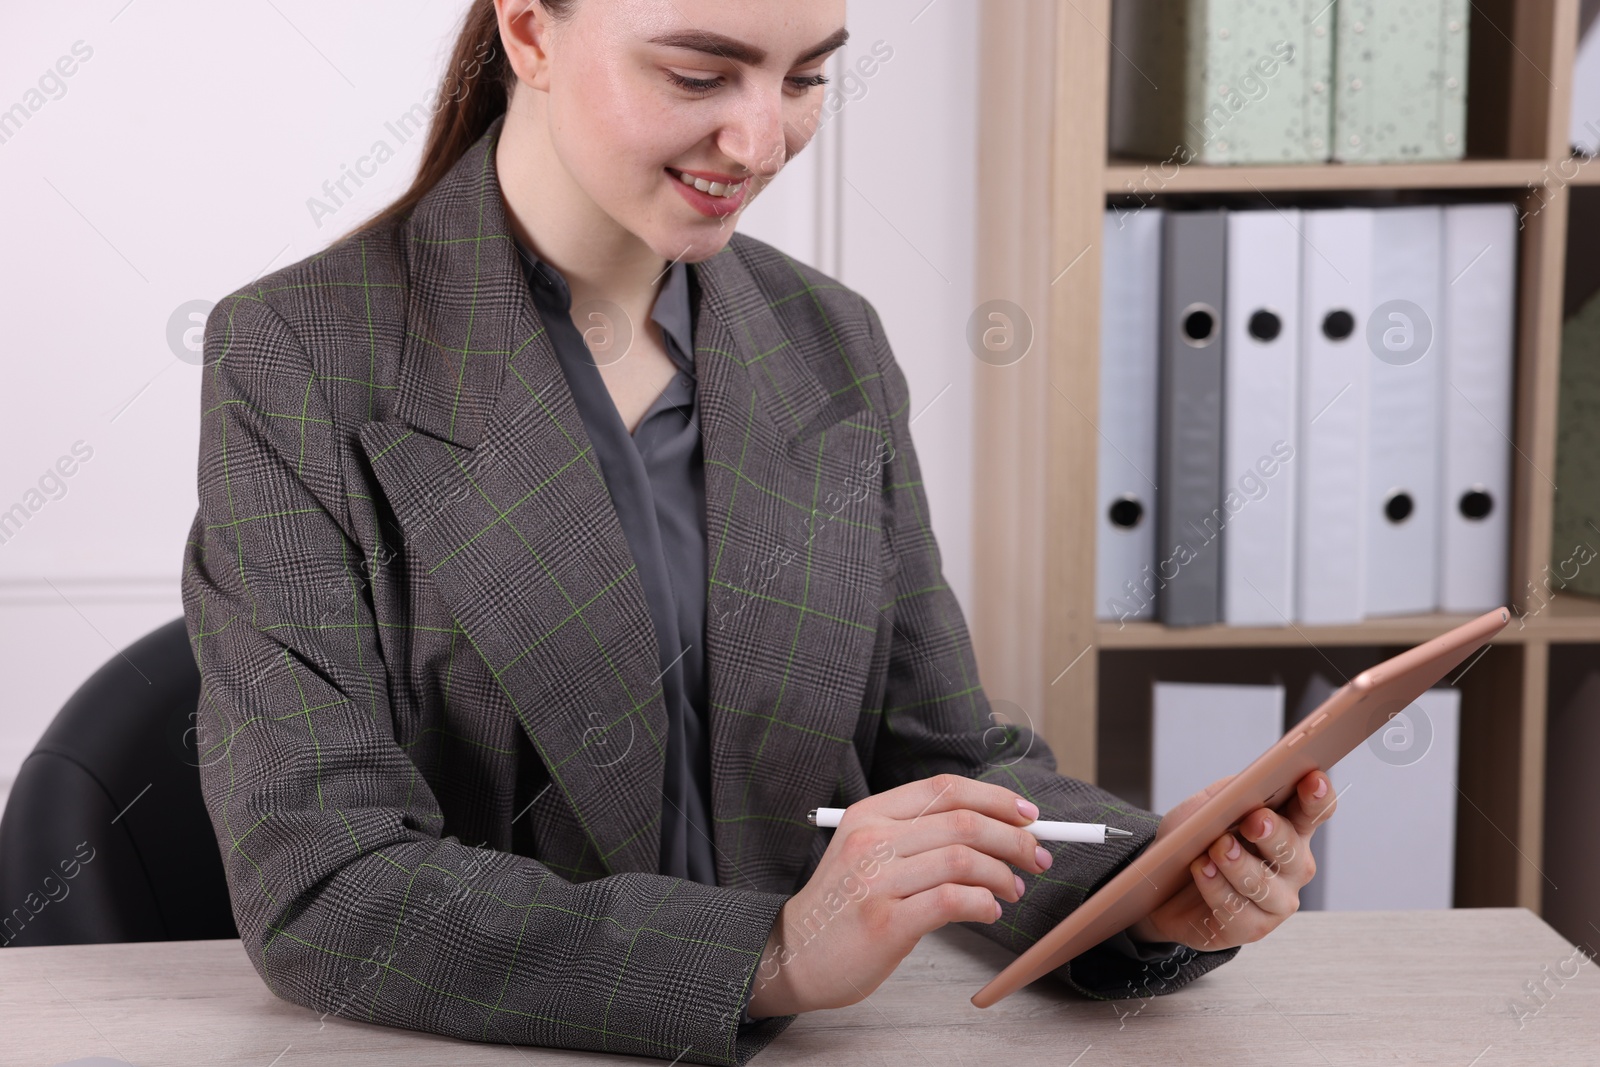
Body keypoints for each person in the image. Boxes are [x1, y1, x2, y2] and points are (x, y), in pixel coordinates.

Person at [180, 1, 1338, 1064]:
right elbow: (321, 887)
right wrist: (770, 953)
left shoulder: (829, 342)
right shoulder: (298, 355)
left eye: (806, 79)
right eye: (699, 75)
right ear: (529, 31)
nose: (761, 142)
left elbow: (942, 759)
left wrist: (1140, 890)